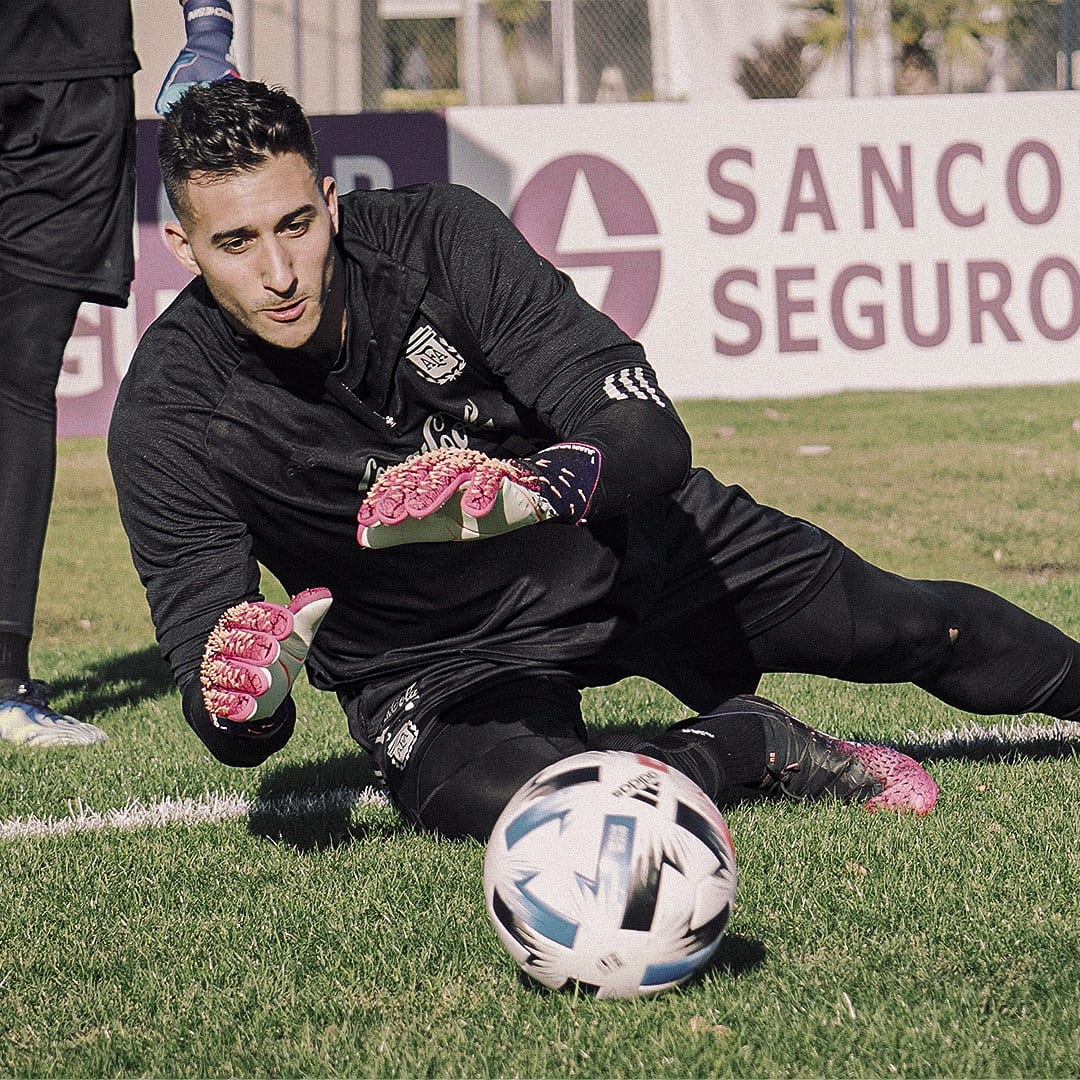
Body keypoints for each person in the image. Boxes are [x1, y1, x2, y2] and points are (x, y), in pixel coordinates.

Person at [108, 80, 1080, 839]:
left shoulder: (443, 238)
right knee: (559, 811)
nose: (277, 273)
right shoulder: (169, 414)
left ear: (330, 199)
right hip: (437, 666)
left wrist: (531, 488)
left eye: (294, 225)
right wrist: (247, 701)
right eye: (234, 242)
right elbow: (219, 676)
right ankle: (748, 743)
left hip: (630, 551)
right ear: (182, 244)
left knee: (913, 628)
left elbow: (647, 434)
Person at [0, 0, 238, 748]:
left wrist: (208, 27)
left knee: (15, 377)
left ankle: (3, 681)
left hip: (64, 76)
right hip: (68, 81)